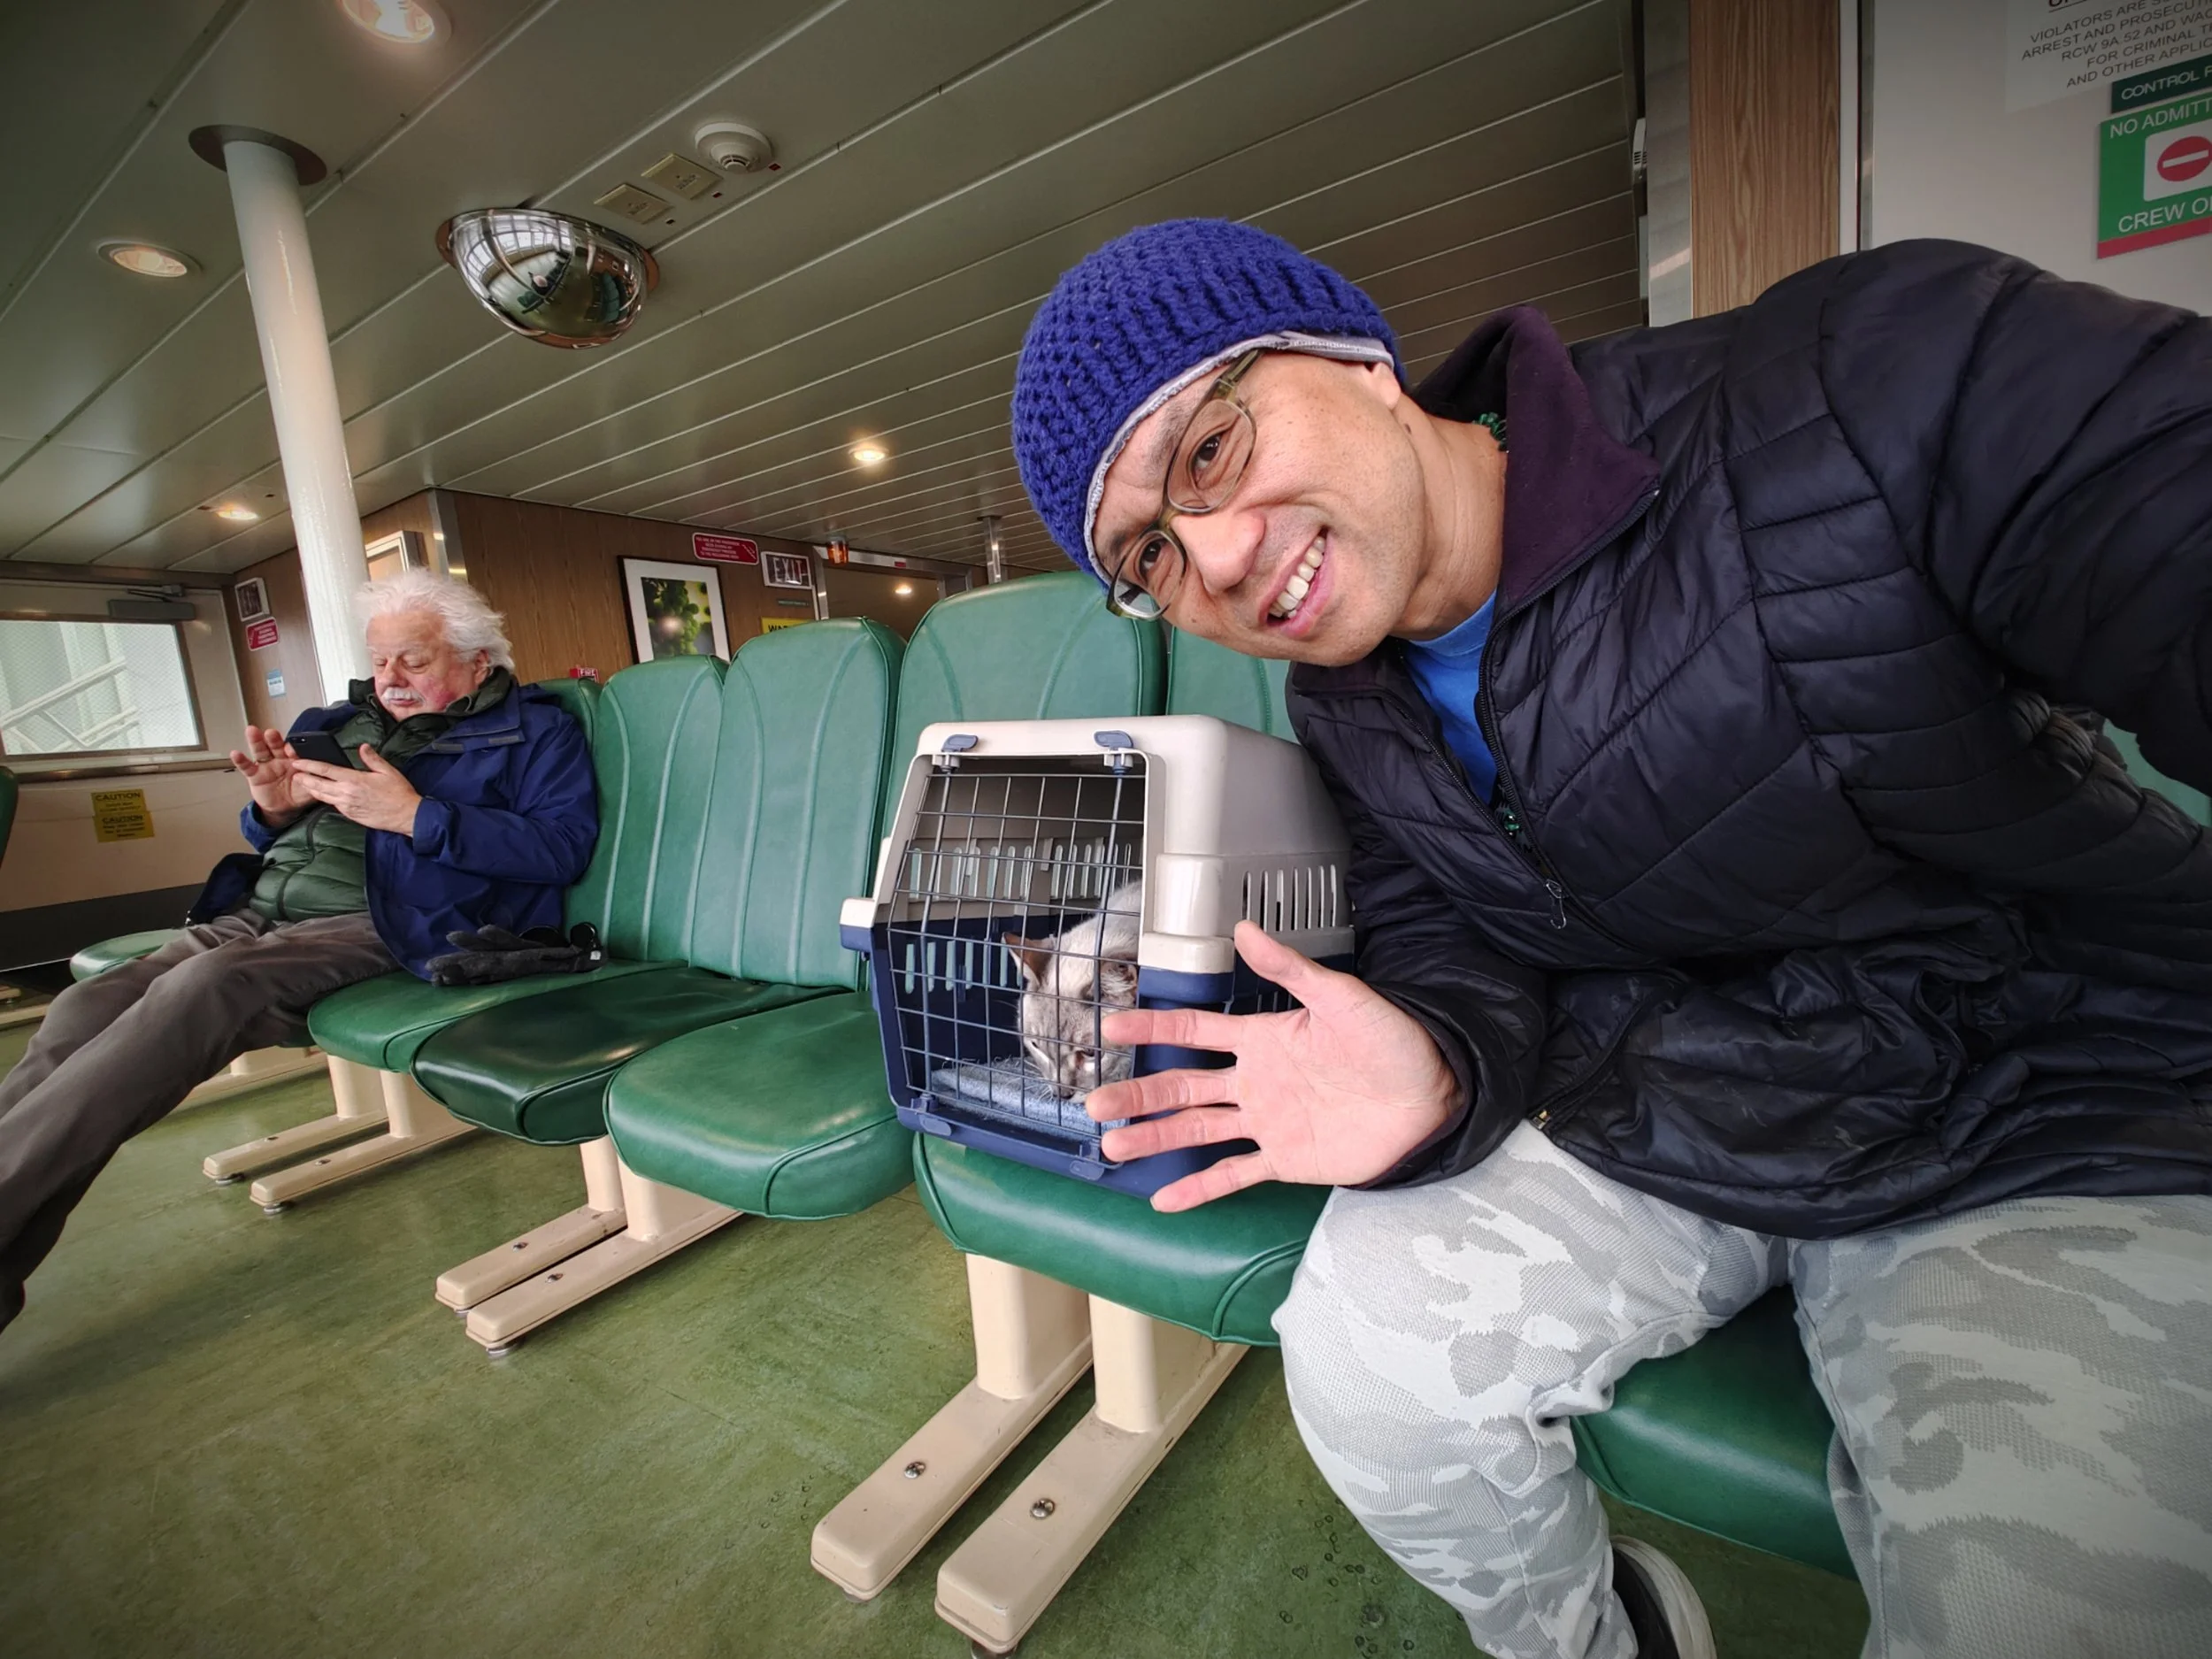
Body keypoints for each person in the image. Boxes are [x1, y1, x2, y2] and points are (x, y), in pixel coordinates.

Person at [1010, 220, 2212, 1659]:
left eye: (1210, 450)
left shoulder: (1852, 391)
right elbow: (1446, 938)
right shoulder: (1346, 703)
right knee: (1365, 1367)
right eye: (1148, 554)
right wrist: (1438, 1068)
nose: (1214, 557)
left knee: (2042, 1614)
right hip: (1667, 1091)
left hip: (2041, 1100)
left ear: (1359, 361)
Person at [0, 570, 596, 1333]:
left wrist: (417, 816)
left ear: (478, 660)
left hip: (395, 919)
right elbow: (275, 835)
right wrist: (270, 810)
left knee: (202, 987)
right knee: (86, 1003)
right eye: (380, 660)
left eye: (413, 660)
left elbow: (561, 848)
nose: (390, 678)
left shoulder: (535, 732)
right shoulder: (337, 722)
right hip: (263, 908)